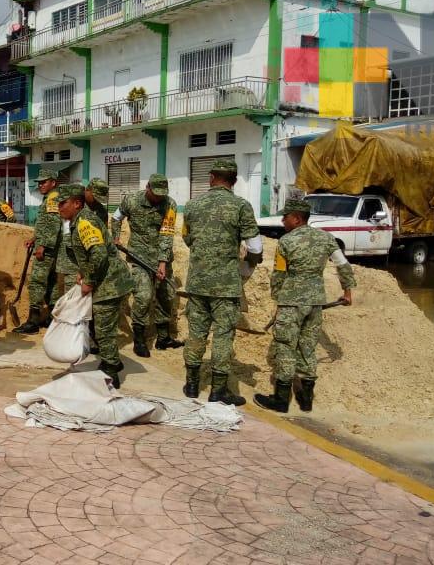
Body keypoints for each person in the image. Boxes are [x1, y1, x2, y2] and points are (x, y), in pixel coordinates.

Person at [254, 199, 355, 413]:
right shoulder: (326, 238)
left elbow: (279, 274)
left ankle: (281, 400)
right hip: (315, 303)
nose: (282, 220)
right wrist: (347, 291)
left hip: (291, 302)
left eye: (286, 216)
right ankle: (306, 400)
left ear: (297, 218)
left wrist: (278, 301)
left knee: (285, 347)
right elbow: (343, 264)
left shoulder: (286, 242)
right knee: (308, 348)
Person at [181, 159, 263, 405]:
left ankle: (192, 385)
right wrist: (247, 265)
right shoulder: (241, 206)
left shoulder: (193, 205)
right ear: (234, 181)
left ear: (211, 178)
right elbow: (255, 246)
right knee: (223, 335)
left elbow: (187, 238)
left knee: (196, 332)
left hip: (196, 282)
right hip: (226, 286)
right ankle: (218, 391)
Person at [58, 184, 134, 386]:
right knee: (100, 327)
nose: (59, 208)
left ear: (76, 203)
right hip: (107, 280)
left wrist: (89, 281)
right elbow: (90, 253)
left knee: (103, 330)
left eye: (63, 203)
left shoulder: (84, 222)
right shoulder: (79, 220)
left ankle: (111, 373)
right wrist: (83, 272)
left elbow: (99, 254)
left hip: (109, 282)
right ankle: (114, 362)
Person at [111, 173, 183, 358]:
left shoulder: (170, 204)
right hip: (138, 258)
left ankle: (163, 338)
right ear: (147, 188)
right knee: (143, 296)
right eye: (155, 193)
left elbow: (167, 234)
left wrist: (162, 263)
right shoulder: (131, 201)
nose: (159, 197)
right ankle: (140, 339)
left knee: (166, 295)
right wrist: (116, 236)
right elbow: (116, 217)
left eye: (162, 194)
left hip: (162, 258)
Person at [13, 169, 61, 334]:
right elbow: (46, 225)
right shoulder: (49, 198)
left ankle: (33, 321)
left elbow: (54, 225)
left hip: (47, 249)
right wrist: (34, 238)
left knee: (37, 282)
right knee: (51, 283)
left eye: (44, 182)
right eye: (39, 182)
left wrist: (43, 246)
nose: (40, 185)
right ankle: (52, 318)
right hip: (50, 246)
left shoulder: (53, 199)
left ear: (53, 182)